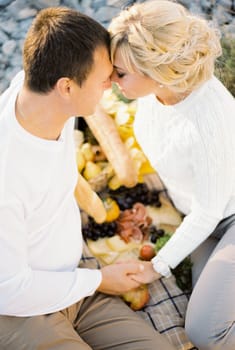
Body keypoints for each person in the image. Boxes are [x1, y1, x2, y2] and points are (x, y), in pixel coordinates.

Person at [0, 7, 175, 350]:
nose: (112, 86)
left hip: (76, 287)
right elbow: (9, 289)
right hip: (19, 311)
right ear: (66, 87)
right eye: (104, 78)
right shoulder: (6, 177)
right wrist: (98, 279)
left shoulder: (37, 92)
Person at [109, 1, 235, 349]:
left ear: (155, 70)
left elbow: (208, 211)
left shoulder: (208, 119)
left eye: (119, 72)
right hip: (205, 221)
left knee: (206, 331)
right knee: (207, 304)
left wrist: (157, 267)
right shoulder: (155, 94)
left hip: (223, 216)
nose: (111, 80)